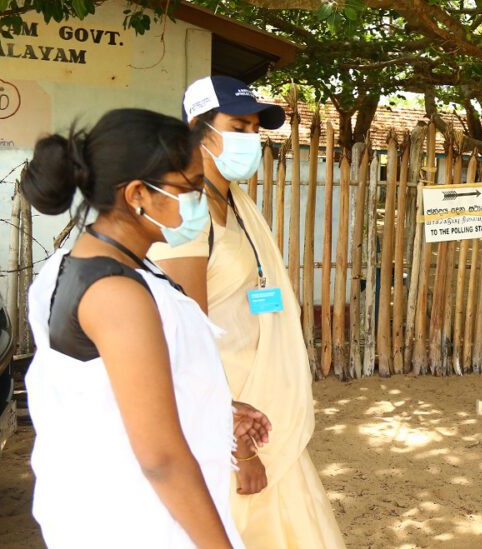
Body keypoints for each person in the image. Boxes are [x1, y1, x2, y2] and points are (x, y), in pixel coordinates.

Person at [21, 108, 269, 548]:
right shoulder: (117, 295)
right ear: (138, 193)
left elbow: (115, 388)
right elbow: (161, 459)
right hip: (139, 523)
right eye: (188, 189)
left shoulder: (94, 263)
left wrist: (215, 408)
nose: (196, 200)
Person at [150, 76, 346, 549]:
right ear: (198, 127)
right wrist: (238, 447)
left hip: (263, 408)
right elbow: (187, 341)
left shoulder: (234, 202)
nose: (249, 139)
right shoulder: (186, 216)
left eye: (255, 129)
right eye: (238, 125)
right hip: (228, 420)